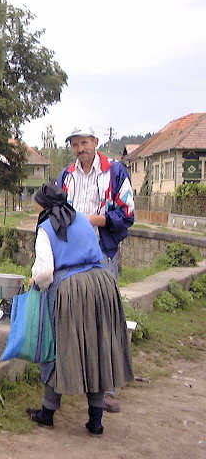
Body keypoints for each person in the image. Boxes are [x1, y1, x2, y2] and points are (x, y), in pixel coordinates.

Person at [26, 183, 134, 435]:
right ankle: (96, 420)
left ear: (43, 205)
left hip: (72, 289)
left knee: (58, 347)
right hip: (102, 283)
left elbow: (44, 272)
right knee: (98, 347)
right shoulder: (83, 220)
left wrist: (35, 283)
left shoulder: (45, 228)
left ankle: (47, 412)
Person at [56, 126, 135, 412]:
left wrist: (94, 220)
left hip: (102, 253)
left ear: (96, 143)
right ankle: (73, 379)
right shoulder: (66, 176)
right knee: (70, 316)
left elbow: (127, 213)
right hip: (71, 257)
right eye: (75, 144)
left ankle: (108, 389)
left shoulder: (114, 173)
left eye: (84, 142)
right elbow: (54, 210)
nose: (80, 149)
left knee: (106, 318)